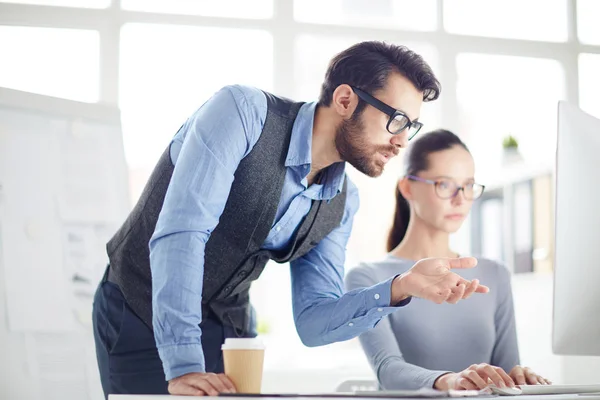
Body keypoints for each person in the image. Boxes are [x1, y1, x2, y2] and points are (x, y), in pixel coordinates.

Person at [92, 42, 490, 398]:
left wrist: (399, 288)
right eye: (397, 120)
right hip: (140, 309)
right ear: (346, 100)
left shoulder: (341, 200)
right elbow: (182, 233)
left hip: (229, 330)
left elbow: (314, 322)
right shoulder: (242, 114)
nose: (403, 141)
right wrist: (184, 366)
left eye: (411, 127)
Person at [345, 129, 550, 392]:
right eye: (445, 184)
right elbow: (387, 369)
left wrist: (518, 377)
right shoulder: (367, 278)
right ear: (407, 187)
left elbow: (506, 373)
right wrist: (450, 381)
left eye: (468, 186)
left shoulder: (495, 274)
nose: (460, 198)